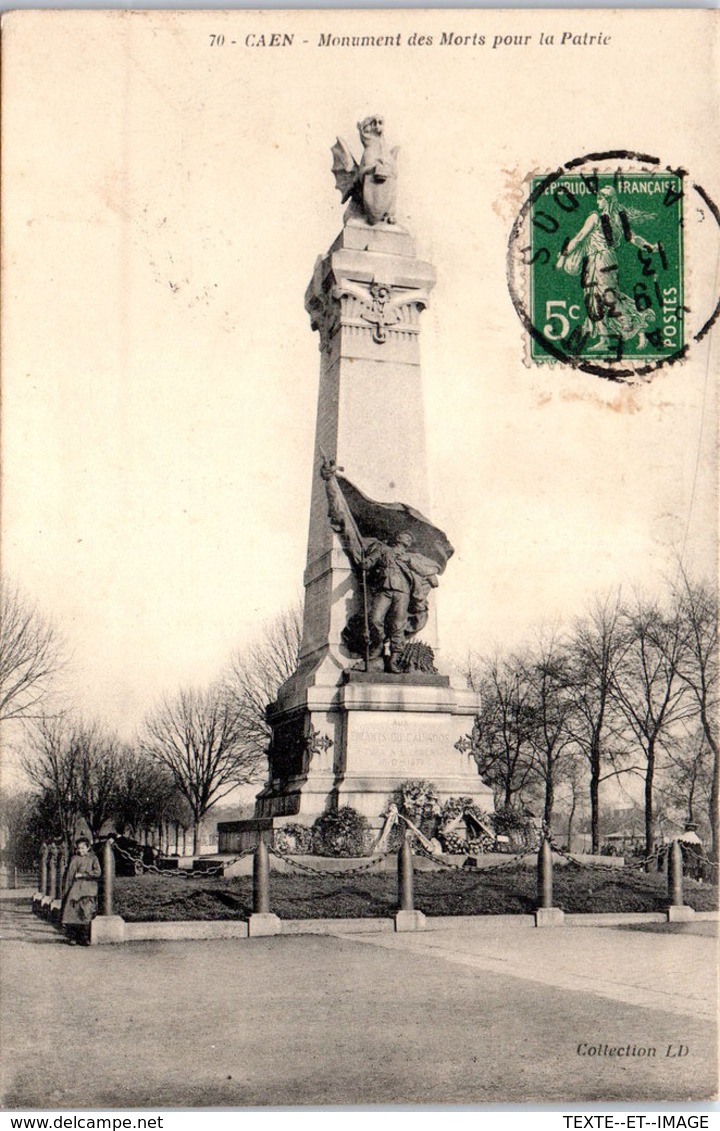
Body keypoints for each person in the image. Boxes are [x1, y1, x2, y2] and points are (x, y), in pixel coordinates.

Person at [556, 186, 656, 351]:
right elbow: (634, 238)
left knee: (607, 298)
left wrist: (563, 256)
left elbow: (580, 238)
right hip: (605, 260)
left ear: (608, 199)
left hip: (599, 260)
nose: (597, 202)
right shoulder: (619, 217)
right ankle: (606, 339)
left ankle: (637, 328)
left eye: (600, 198)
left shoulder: (595, 217)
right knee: (597, 298)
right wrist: (649, 246)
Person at [61, 836, 101, 945]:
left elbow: (98, 872)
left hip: (89, 888)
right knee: (73, 911)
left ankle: (84, 937)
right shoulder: (74, 858)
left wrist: (84, 875)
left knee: (86, 912)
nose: (81, 850)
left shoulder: (93, 858)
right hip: (76, 888)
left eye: (83, 848)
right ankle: (72, 937)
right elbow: (69, 874)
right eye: (79, 848)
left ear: (88, 848)